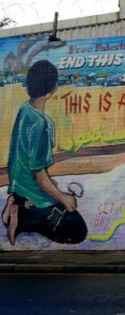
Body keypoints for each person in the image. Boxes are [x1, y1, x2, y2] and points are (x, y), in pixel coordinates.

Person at [3, 60, 87, 246]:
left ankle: (19, 204)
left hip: (19, 186)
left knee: (58, 198)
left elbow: (26, 159)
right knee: (77, 230)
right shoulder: (42, 125)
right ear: (53, 88)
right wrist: (63, 197)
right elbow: (38, 175)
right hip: (34, 193)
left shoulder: (25, 110)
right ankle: (24, 217)